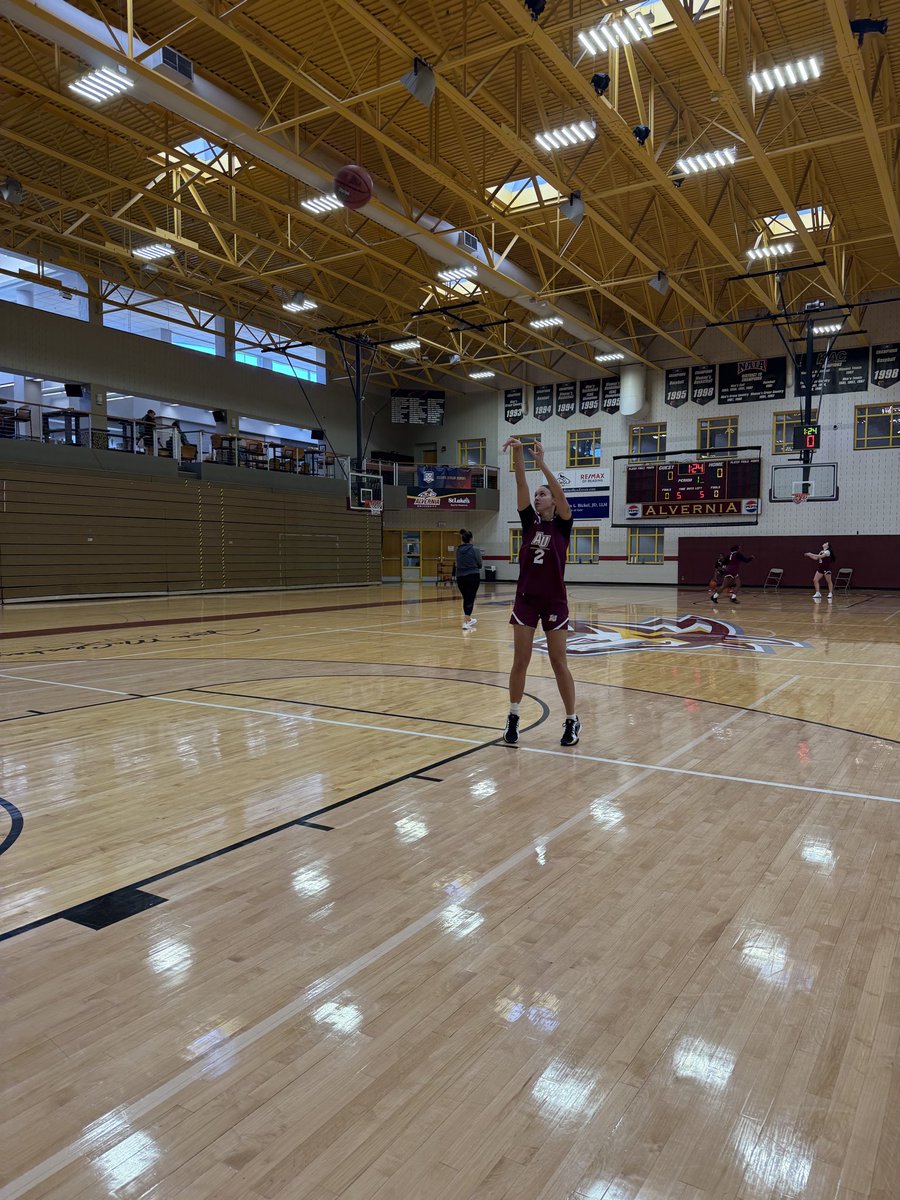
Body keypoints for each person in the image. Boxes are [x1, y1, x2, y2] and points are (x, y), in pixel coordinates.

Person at [501, 437, 579, 748]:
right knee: (521, 660)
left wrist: (542, 463)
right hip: (527, 599)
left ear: (554, 502)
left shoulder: (563, 525)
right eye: (536, 495)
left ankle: (572, 720)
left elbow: (558, 492)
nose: (537, 497)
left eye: (542, 494)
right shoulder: (529, 523)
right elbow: (520, 484)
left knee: (560, 662)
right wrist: (518, 454)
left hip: (555, 601)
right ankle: (513, 715)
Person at [455, 529, 483, 631]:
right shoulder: (475, 550)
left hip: (460, 577)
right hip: (473, 576)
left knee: (466, 598)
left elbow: (457, 564)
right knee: (470, 598)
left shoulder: (458, 550)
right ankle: (466, 622)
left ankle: (469, 618)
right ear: (471, 539)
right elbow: (480, 564)